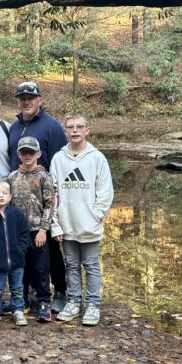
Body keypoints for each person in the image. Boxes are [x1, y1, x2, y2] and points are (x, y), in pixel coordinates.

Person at [8, 80, 68, 312]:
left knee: (50, 246)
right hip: (20, 200)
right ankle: (33, 290)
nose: (26, 101)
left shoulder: (51, 127)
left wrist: (54, 201)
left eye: (30, 98)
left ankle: (60, 290)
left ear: (39, 100)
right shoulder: (14, 127)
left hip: (44, 197)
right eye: (22, 98)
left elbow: (59, 163)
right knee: (26, 248)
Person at [49, 114, 113, 327]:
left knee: (92, 265)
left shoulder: (97, 158)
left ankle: (93, 304)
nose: (75, 131)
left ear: (88, 129)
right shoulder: (58, 159)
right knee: (72, 264)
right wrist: (55, 223)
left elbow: (105, 192)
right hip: (67, 224)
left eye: (79, 127)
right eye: (70, 127)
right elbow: (52, 193)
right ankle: (74, 301)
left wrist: (96, 215)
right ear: (65, 131)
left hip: (89, 224)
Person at [7, 136, 56, 323]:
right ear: (19, 154)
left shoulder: (44, 176)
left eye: (31, 152)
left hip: (38, 231)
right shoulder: (12, 177)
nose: (27, 156)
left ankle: (44, 303)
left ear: (38, 154)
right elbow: (7, 204)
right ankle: (22, 301)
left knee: (40, 268)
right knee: (20, 267)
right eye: (24, 152)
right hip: (18, 232)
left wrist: (44, 229)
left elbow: (49, 203)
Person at [0, 181, 30, 327]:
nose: (0, 196)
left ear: (10, 197)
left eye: (4, 193)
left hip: (17, 260)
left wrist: (21, 251)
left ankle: (18, 310)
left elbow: (24, 234)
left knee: (17, 288)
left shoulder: (17, 214)